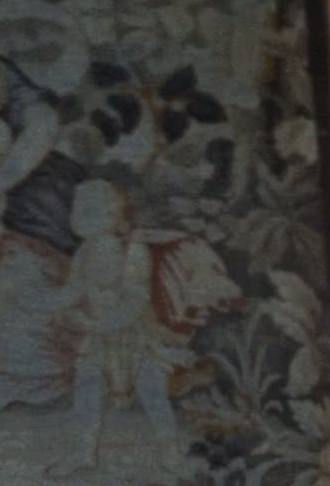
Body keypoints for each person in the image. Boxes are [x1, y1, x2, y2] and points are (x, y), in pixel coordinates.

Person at [32, 179, 241, 477]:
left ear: (111, 216)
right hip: (100, 336)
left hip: (137, 335)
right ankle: (82, 453)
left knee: (153, 394)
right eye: (76, 208)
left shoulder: (132, 252)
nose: (76, 216)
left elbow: (135, 301)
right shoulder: (85, 252)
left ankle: (170, 456)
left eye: (87, 209)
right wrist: (37, 304)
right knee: (87, 390)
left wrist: (98, 323)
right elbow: (72, 291)